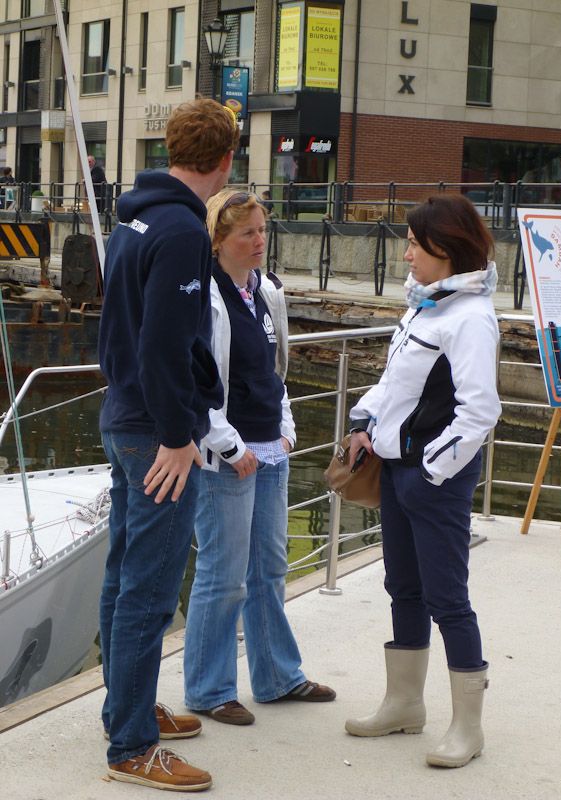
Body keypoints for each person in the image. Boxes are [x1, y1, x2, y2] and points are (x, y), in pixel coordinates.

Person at [98, 99, 239, 792]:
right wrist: (180, 437)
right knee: (148, 590)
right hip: (156, 433)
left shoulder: (134, 216)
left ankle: (124, 707)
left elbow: (122, 325)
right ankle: (132, 745)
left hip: (121, 416)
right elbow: (162, 344)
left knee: (124, 576)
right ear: (226, 160)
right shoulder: (183, 229)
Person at [344, 194, 501, 769]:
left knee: (448, 600)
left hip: (434, 479)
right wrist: (365, 422)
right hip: (400, 471)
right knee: (403, 588)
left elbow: (481, 411)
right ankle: (405, 703)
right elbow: (395, 387)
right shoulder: (426, 308)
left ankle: (468, 727)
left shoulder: (470, 317)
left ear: (444, 248)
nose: (406, 252)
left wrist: (431, 470)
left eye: (414, 243)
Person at [183, 189, 336, 725]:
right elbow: (199, 379)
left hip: (271, 447)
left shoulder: (266, 291)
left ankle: (277, 677)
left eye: (262, 230)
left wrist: (287, 428)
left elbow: (275, 367)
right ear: (219, 240)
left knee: (269, 568)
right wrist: (228, 444)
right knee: (223, 574)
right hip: (230, 453)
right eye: (247, 232)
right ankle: (208, 688)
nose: (259, 241)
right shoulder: (206, 295)